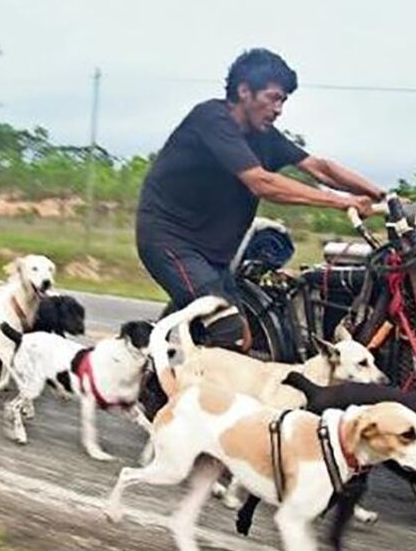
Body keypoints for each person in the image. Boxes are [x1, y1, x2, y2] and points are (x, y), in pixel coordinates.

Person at [135, 48, 384, 351]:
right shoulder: (212, 119)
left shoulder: (265, 136)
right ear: (244, 91)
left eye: (283, 101)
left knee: (244, 337)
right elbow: (262, 183)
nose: (279, 109)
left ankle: (169, 385)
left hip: (215, 254)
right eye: (273, 98)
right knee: (230, 333)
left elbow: (319, 167)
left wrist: (381, 195)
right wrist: (341, 202)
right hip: (171, 242)